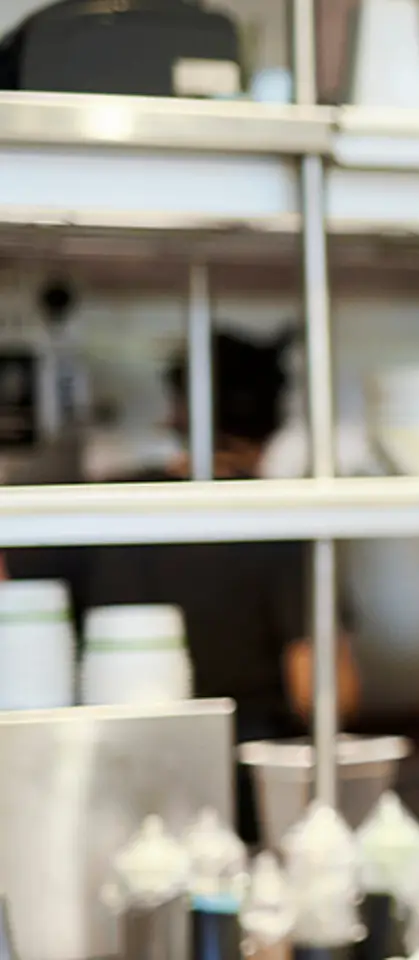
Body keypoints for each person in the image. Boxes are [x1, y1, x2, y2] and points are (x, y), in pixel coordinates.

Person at [1, 328, 361, 844]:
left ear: (176, 415)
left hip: (103, 783)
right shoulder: (282, 525)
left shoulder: (106, 507)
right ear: (274, 424)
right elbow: (324, 692)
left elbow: (12, 578)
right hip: (242, 799)